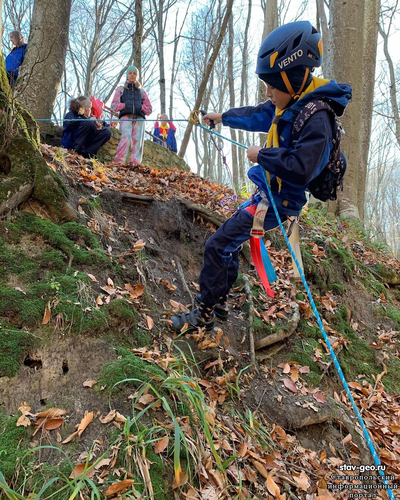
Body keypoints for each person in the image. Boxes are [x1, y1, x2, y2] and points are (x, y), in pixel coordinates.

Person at [171, 20, 352, 332]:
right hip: (267, 194)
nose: (268, 93)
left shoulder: (317, 117)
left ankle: (204, 314)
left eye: (272, 86)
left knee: (218, 245)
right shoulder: (292, 100)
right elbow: (259, 113)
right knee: (225, 243)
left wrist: (262, 155)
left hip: (279, 203)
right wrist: (222, 117)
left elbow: (302, 167)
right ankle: (220, 301)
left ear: (293, 79)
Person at [111, 65, 153, 165]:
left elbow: (149, 109)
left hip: (139, 117)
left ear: (137, 76)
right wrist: (125, 105)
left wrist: (141, 107)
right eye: (130, 73)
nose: (132, 75)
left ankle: (135, 163)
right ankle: (118, 162)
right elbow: (114, 105)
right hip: (126, 116)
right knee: (126, 136)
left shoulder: (142, 92)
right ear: (127, 75)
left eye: (134, 73)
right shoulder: (120, 89)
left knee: (137, 140)